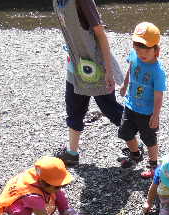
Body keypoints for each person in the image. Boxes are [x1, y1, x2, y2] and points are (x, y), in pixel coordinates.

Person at [52, 0, 124, 166]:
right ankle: (72, 153)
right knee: (73, 108)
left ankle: (139, 146)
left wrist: (108, 70)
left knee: (110, 109)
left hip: (96, 66)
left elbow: (100, 33)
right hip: (75, 65)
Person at [118, 22, 167, 178]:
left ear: (156, 50)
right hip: (130, 105)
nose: (141, 52)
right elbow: (130, 69)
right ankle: (136, 154)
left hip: (146, 112)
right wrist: (125, 85)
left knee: (149, 139)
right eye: (138, 47)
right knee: (125, 132)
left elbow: (159, 95)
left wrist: (156, 114)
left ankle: (154, 165)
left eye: (146, 48)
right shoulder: (134, 55)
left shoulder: (157, 71)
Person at [0, 157, 83, 215]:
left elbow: (55, 187)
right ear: (43, 184)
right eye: (57, 186)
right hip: (14, 200)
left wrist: (56, 189)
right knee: (21, 212)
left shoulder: (42, 173)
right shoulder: (33, 196)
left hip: (30, 190)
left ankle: (64, 211)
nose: (60, 188)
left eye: (63, 185)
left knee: (59, 193)